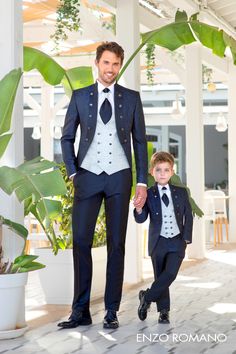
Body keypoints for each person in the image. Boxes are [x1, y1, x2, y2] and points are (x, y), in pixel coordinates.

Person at [58, 42, 148, 329]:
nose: (110, 69)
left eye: (115, 64)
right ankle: (80, 310)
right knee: (81, 241)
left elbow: (139, 144)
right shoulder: (80, 97)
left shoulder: (131, 98)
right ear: (97, 63)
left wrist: (142, 182)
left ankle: (111, 310)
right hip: (88, 175)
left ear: (120, 66)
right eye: (106, 63)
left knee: (117, 245)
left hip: (120, 176)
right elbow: (67, 138)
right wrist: (73, 173)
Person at [134, 151, 193, 324]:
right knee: (160, 276)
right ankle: (164, 311)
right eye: (158, 170)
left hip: (177, 240)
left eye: (166, 170)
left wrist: (186, 238)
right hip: (158, 242)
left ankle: (147, 297)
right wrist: (138, 208)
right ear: (152, 172)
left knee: (170, 274)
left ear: (172, 172)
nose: (162, 173)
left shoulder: (181, 193)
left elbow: (188, 216)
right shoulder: (149, 194)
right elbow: (141, 217)